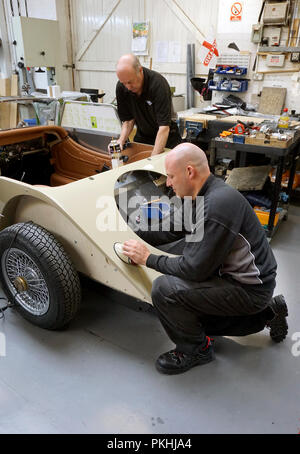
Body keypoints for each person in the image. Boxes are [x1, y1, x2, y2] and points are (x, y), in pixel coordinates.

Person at [122, 143, 288, 375]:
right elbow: (171, 230)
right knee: (185, 313)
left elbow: (193, 269)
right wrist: (128, 231)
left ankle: (195, 349)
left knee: (165, 291)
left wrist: (147, 258)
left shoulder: (217, 205)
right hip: (237, 278)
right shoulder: (198, 195)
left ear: (189, 172)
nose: (168, 183)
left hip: (249, 289)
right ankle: (269, 312)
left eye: (170, 176)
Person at [115, 54, 182, 156]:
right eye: (124, 83)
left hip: (166, 138)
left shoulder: (158, 85)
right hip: (143, 136)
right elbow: (128, 120)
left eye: (130, 82)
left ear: (140, 70)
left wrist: (153, 159)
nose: (128, 87)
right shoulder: (121, 87)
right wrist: (121, 141)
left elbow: (164, 127)